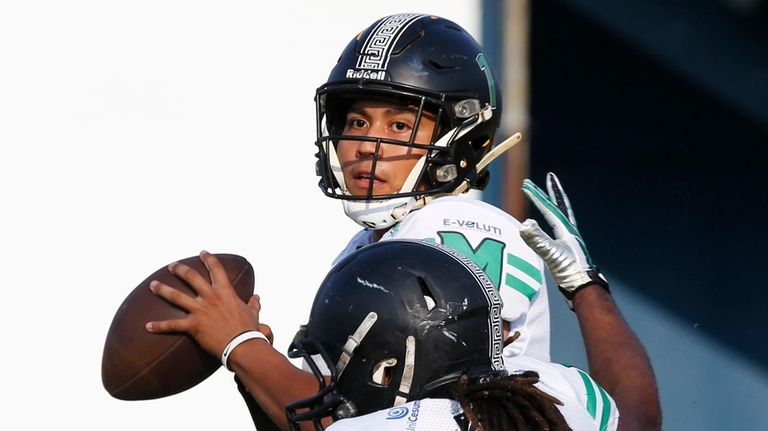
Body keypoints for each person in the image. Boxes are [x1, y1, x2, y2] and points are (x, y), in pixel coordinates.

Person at [145, 12, 553, 431]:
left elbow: (386, 417)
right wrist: (255, 370)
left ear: (461, 137)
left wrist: (240, 345)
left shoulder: (463, 226)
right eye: (357, 122)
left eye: (398, 125)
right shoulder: (369, 245)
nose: (365, 145)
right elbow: (323, 409)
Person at [285, 174, 661, 431]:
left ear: (389, 363)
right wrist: (585, 283)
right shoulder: (561, 394)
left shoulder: (418, 421)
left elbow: (307, 418)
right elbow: (639, 419)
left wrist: (240, 340)